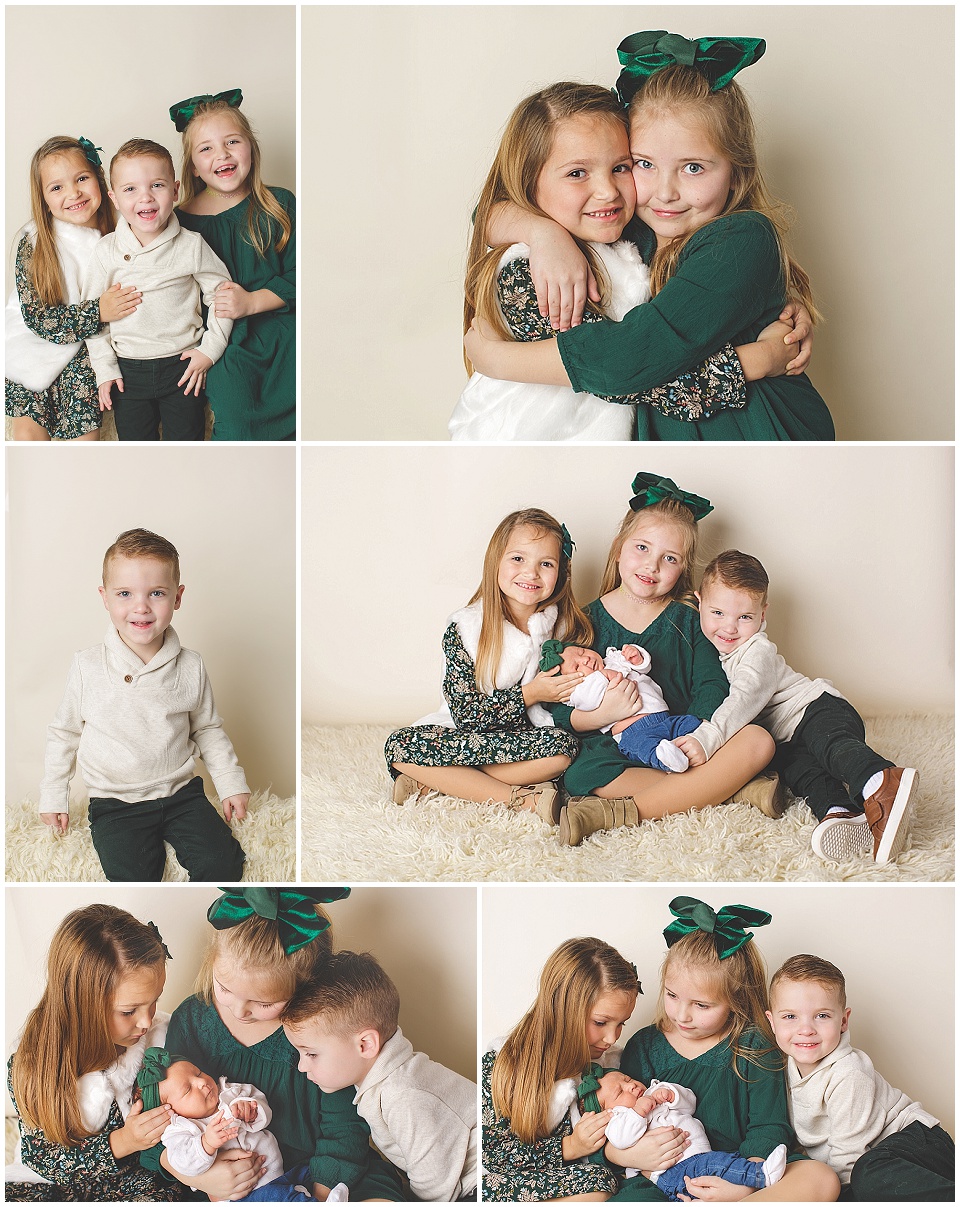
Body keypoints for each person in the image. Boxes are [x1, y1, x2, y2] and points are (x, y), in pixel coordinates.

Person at [464, 31, 835, 442]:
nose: (665, 192)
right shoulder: (630, 227)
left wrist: (496, 359)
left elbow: (623, 365)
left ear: (737, 173)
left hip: (759, 436)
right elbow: (488, 212)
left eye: (693, 167)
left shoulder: (742, 237)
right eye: (641, 163)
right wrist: (542, 232)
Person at [551, 473, 778, 847]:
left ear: (682, 568)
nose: (651, 566)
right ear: (619, 548)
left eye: (668, 558)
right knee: (579, 773)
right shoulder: (585, 621)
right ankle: (730, 791)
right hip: (619, 746)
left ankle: (618, 812)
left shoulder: (689, 620)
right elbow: (560, 705)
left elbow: (712, 685)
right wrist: (601, 715)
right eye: (642, 548)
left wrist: (697, 737)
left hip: (684, 738)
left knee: (758, 740)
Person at [149, 887, 406, 1202]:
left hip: (322, 1172)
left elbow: (344, 1129)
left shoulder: (321, 1031)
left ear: (301, 986)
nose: (240, 1010)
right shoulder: (192, 1020)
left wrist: (320, 1196)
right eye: (224, 988)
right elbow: (164, 1115)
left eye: (262, 1002)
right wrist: (202, 1178)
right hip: (234, 1174)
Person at [39, 527, 248, 881]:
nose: (141, 606)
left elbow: (208, 728)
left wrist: (230, 782)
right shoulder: (88, 666)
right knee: (131, 874)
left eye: (156, 593)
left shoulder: (190, 665)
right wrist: (53, 794)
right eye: (125, 593)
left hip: (182, 795)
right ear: (105, 597)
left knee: (223, 863)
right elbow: (64, 733)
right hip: (115, 802)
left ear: (177, 597)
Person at [682, 550, 918, 864]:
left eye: (745, 617)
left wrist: (707, 737)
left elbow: (744, 699)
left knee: (832, 747)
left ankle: (881, 779)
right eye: (718, 613)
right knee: (803, 775)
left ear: (763, 615)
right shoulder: (717, 652)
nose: (729, 627)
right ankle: (840, 813)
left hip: (816, 710)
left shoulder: (758, 651)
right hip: (787, 738)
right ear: (699, 602)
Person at [608, 896, 840, 1202]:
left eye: (701, 1005)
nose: (681, 1015)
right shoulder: (645, 1046)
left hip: (740, 1169)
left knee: (820, 1178)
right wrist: (635, 1159)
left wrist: (745, 1182)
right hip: (663, 1174)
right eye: (672, 995)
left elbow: (767, 1126)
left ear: (735, 1001)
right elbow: (618, 1116)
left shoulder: (754, 1046)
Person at [385, 508, 592, 822]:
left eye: (546, 563)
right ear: (496, 561)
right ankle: (518, 799)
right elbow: (467, 716)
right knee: (400, 745)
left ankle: (443, 780)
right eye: (518, 559)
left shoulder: (564, 628)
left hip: (526, 740)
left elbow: (576, 701)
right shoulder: (465, 629)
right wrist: (530, 694)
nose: (531, 573)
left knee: (565, 748)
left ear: (561, 572)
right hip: (468, 735)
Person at [5, 904, 193, 1202]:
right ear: (82, 1005)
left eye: (154, 1002)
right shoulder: (33, 1062)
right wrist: (124, 1140)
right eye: (129, 1011)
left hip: (133, 1179)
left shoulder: (160, 1044)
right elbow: (42, 1158)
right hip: (51, 1182)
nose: (146, 1021)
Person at [483, 936, 687, 1202]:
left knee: (600, 1181)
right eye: (601, 1022)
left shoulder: (611, 1068)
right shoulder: (505, 1065)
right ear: (563, 1011)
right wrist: (570, 1146)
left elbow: (628, 1129)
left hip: (576, 1180)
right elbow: (495, 1156)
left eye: (621, 1023)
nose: (612, 1037)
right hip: (509, 1179)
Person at [283, 949, 478, 1203]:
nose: (301, 1067)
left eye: (310, 1054)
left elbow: (436, 1185)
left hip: (479, 1180)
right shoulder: (384, 1080)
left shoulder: (403, 1096)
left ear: (365, 1045)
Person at [766, 955, 955, 1201]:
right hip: (873, 1162)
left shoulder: (849, 1072)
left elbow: (847, 1161)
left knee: (864, 1175)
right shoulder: (782, 1067)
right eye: (790, 1017)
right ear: (771, 1022)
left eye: (822, 1016)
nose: (806, 1029)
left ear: (843, 1020)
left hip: (920, 1144)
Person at [82, 137, 233, 440]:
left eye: (157, 185)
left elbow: (222, 295)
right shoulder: (106, 251)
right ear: (114, 198)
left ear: (175, 189)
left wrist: (211, 349)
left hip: (182, 366)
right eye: (130, 189)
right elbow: (93, 315)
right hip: (128, 371)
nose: (146, 198)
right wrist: (105, 368)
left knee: (185, 446)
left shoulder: (191, 245)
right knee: (137, 451)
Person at [173, 89, 296, 440]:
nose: (222, 154)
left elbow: (304, 273)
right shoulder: (178, 223)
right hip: (225, 342)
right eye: (206, 148)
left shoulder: (279, 204)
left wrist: (253, 301)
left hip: (283, 332)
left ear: (251, 149)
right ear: (194, 166)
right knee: (238, 417)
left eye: (232, 141)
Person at [5, 135, 141, 441]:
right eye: (57, 187)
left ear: (99, 178)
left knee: (83, 440)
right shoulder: (35, 241)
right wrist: (98, 310)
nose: (73, 193)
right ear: (44, 198)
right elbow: (39, 319)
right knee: (27, 435)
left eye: (82, 178)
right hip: (36, 343)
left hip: (89, 347)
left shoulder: (125, 231)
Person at [571, 1069, 786, 1199]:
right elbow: (621, 1139)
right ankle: (761, 1175)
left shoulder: (653, 1092)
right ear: (610, 1110)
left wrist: (671, 1095)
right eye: (620, 1092)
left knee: (720, 1165)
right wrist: (639, 1111)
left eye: (627, 1079)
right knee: (713, 1165)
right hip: (673, 1169)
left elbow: (689, 1103)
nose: (631, 1087)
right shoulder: (619, 1120)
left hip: (697, 1156)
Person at [135, 1046, 313, 1202]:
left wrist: (250, 1108)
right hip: (246, 1195)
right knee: (284, 1199)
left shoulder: (229, 1092)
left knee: (311, 1174)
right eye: (188, 1089)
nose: (202, 1082)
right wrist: (206, 1144)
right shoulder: (180, 1129)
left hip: (279, 1171)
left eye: (198, 1073)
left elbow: (262, 1104)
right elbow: (183, 1163)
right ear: (170, 1110)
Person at [539, 640, 700, 772]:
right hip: (633, 731)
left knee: (691, 723)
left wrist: (636, 657)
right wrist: (602, 675)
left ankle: (697, 742)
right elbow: (589, 700)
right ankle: (666, 760)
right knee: (643, 748)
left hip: (664, 717)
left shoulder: (612, 659)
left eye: (582, 651)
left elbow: (644, 668)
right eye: (577, 667)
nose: (585, 659)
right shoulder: (577, 692)